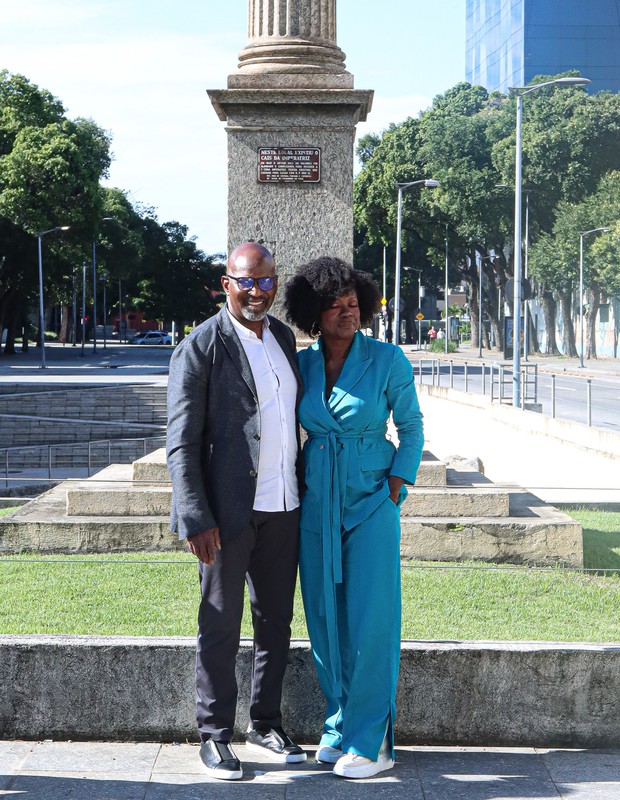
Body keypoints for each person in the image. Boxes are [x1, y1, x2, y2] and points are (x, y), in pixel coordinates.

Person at [166, 242, 306, 781]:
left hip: (284, 503)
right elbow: (181, 441)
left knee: (276, 621)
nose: (257, 292)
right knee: (220, 623)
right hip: (226, 514)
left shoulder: (284, 339)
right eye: (246, 281)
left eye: (266, 281)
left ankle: (265, 723)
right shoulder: (200, 346)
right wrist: (194, 516)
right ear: (226, 283)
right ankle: (214, 734)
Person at [283, 257, 424, 780]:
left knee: (371, 622)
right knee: (323, 618)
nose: (347, 313)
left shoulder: (388, 360)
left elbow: (411, 429)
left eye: (353, 304)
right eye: (335, 305)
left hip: (370, 505)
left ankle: (374, 740)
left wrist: (395, 485)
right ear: (313, 313)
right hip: (317, 503)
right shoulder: (303, 365)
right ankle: (339, 725)